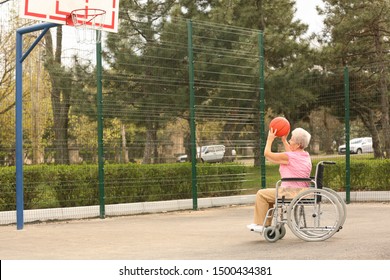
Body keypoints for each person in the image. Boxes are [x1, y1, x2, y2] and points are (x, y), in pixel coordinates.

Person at [247, 127, 312, 233]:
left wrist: (269, 139)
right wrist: (284, 140)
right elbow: (292, 154)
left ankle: (260, 224)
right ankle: (265, 223)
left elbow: (267, 154)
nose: (290, 141)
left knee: (261, 194)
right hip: (301, 191)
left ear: (298, 144)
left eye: (291, 139)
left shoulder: (290, 157)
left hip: (290, 192)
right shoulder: (305, 155)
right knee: (269, 196)